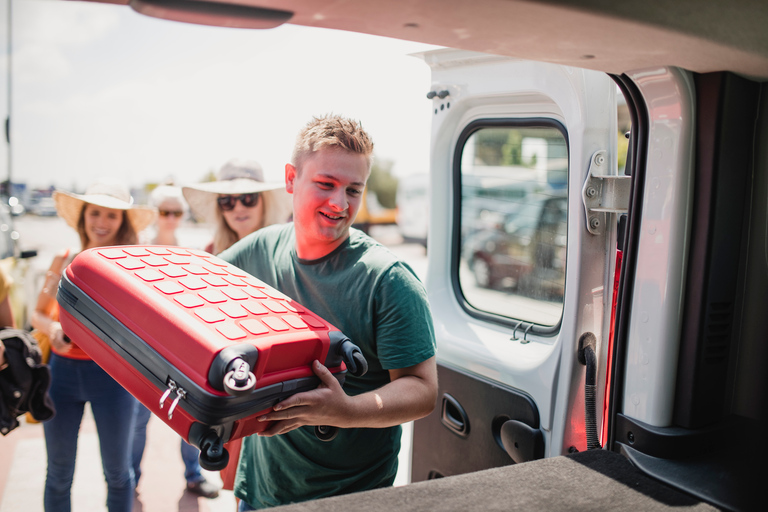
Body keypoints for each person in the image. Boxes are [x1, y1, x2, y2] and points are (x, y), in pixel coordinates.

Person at [219, 114, 438, 510]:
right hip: (261, 493)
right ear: (290, 179)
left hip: (352, 497)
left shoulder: (387, 280)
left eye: (354, 190)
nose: (340, 204)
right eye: (325, 184)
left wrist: (347, 411)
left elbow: (423, 390)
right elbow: (196, 290)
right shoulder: (259, 250)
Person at [31, 182, 155, 512]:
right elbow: (36, 313)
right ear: (83, 217)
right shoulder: (62, 260)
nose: (101, 221)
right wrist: (54, 327)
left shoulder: (132, 265)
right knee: (58, 473)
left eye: (111, 215)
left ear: (122, 221)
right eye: (94, 212)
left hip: (113, 378)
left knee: (118, 474)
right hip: (60, 375)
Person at [131, 184, 221, 499]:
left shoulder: (190, 253)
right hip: (144, 349)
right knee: (137, 420)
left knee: (188, 417)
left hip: (179, 352)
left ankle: (194, 476)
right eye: (164, 212)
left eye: (176, 212)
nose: (170, 218)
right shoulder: (137, 250)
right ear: (153, 214)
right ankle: (131, 479)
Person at [182, 159, 292, 255]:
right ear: (220, 209)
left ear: (265, 201)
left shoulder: (284, 250)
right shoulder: (211, 251)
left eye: (248, 198)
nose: (238, 208)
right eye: (227, 201)